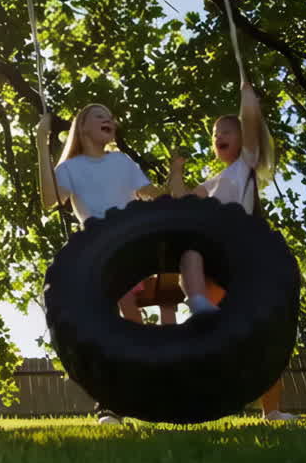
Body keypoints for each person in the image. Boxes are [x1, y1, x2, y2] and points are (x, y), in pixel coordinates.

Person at [35, 103, 205, 423]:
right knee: (116, 322)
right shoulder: (71, 168)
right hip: (96, 251)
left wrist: (176, 175)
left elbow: (157, 197)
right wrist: (41, 147)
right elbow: (49, 201)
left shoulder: (122, 161)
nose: (109, 119)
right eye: (100, 115)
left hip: (133, 245)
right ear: (82, 126)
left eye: (110, 117)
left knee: (140, 314)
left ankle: (162, 384)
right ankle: (112, 402)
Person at [170, 81, 297, 422]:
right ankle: (197, 304)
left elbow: (253, 126)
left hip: (241, 255)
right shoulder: (213, 181)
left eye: (226, 130)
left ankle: (272, 410)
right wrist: (176, 173)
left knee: (258, 337)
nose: (218, 135)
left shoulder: (246, 166)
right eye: (214, 133)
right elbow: (180, 201)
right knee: (216, 335)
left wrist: (247, 99)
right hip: (216, 260)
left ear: (242, 139)